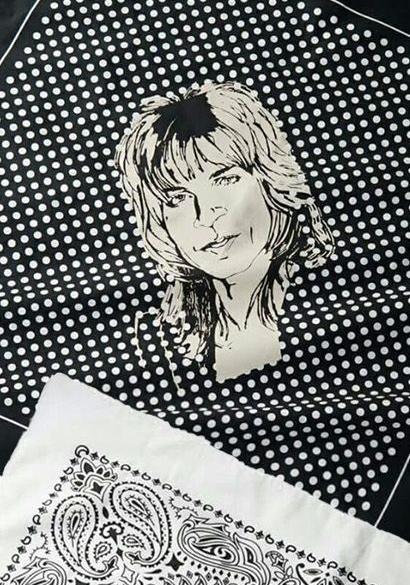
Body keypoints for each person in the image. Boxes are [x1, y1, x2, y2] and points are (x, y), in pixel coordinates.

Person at [115, 81, 334, 381]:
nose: (205, 216)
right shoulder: (160, 336)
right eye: (177, 198)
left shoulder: (333, 290)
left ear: (272, 181)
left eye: (225, 180)